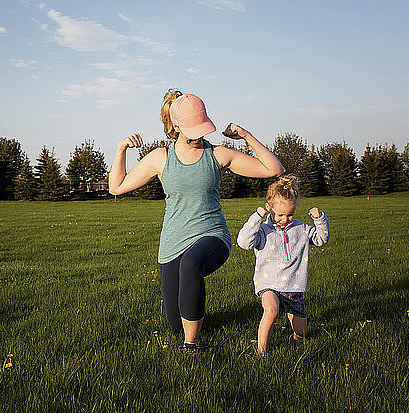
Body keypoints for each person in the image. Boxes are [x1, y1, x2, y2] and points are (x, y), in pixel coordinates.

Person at [109, 89, 285, 354]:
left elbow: (274, 170)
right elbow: (117, 186)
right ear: (176, 125)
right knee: (174, 324)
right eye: (193, 129)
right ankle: (188, 329)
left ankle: (192, 346)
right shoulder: (161, 157)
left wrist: (247, 136)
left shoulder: (218, 155)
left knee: (191, 265)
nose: (199, 135)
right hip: (172, 243)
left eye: (202, 128)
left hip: (211, 235)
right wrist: (121, 148)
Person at [236, 175, 330, 355]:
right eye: (280, 215)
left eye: (290, 214)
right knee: (271, 310)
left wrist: (319, 219)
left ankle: (296, 338)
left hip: (293, 286)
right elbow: (243, 242)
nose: (285, 219)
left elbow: (321, 240)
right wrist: (257, 218)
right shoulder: (263, 230)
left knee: (302, 332)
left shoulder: (301, 229)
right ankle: (262, 352)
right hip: (268, 283)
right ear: (268, 207)